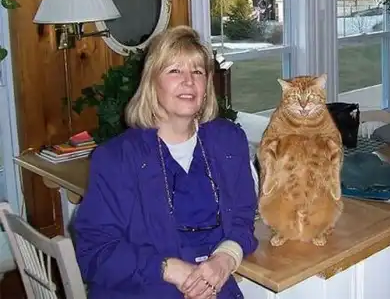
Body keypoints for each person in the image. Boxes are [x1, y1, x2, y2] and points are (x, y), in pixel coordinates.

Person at [72, 25, 258, 299]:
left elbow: (243, 217)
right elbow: (94, 251)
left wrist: (226, 258)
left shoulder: (229, 141)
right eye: (174, 71)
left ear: (207, 86)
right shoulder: (117, 158)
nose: (189, 81)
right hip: (143, 289)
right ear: (151, 83)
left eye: (198, 72)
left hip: (215, 289)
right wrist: (169, 269)